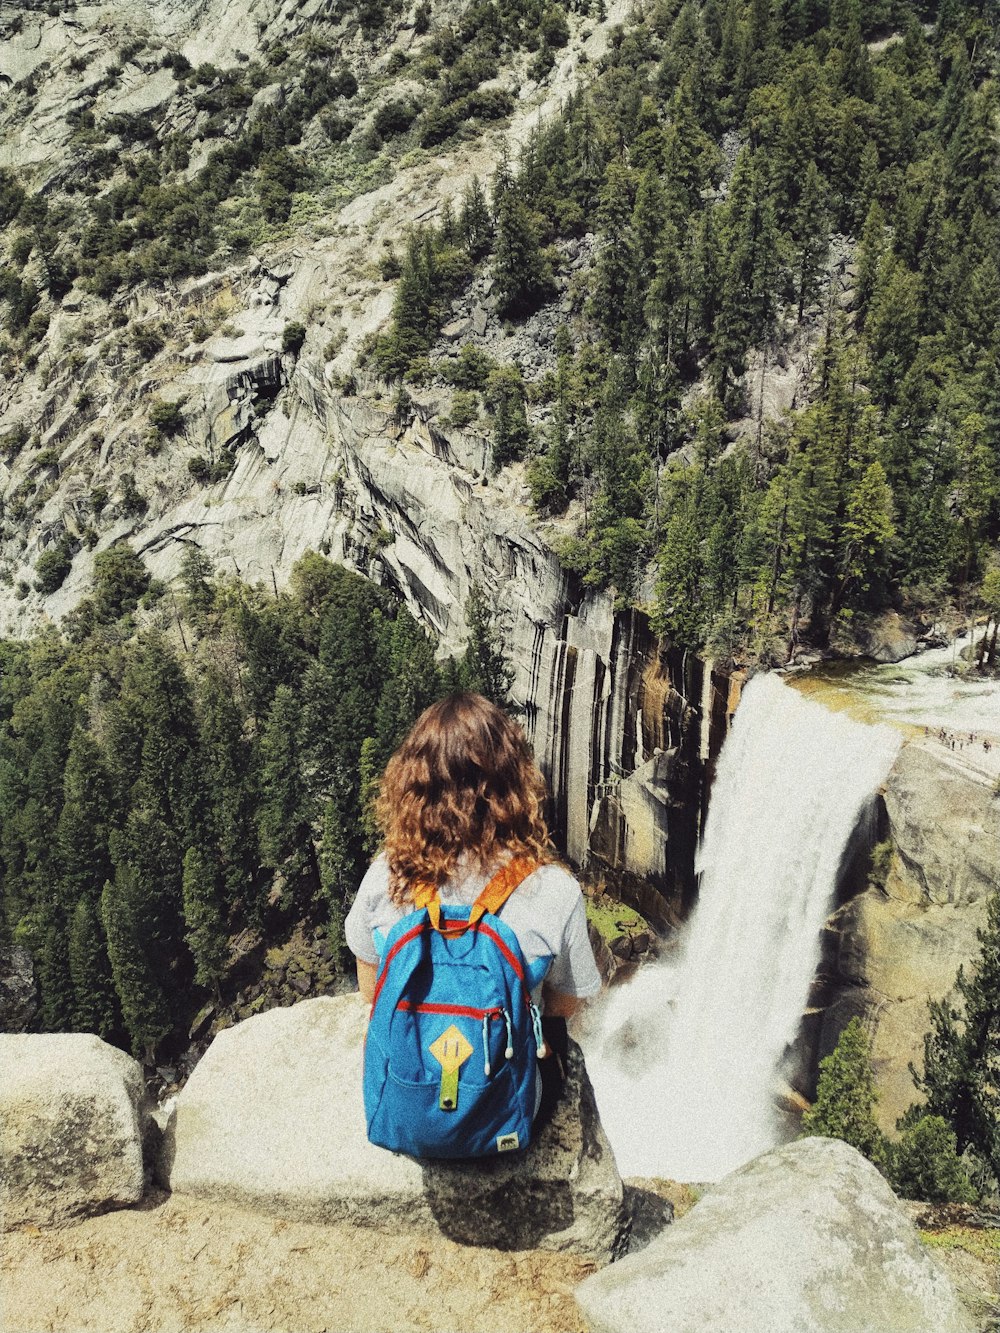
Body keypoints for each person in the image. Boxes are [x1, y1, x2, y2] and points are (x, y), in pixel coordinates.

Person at [345, 691, 602, 1113]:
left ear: (412, 787)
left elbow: (371, 987)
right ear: (514, 785)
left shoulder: (385, 875)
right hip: (505, 1104)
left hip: (406, 1100)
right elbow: (566, 1000)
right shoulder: (554, 888)